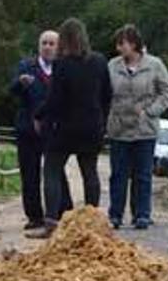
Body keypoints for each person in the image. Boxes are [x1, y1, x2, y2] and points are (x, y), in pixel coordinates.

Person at [26, 18, 112, 238]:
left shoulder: (62, 64)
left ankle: (51, 223)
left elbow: (55, 99)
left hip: (65, 127)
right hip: (92, 126)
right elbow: (107, 95)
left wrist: (39, 115)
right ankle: (93, 222)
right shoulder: (100, 61)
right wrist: (101, 120)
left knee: (52, 170)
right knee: (89, 172)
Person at [106, 25, 168, 230]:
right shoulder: (112, 65)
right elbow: (103, 92)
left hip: (144, 129)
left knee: (143, 175)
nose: (119, 48)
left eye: (122, 43)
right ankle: (115, 214)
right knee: (118, 174)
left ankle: (142, 214)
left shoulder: (155, 65)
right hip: (118, 128)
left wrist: (151, 111)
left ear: (133, 44)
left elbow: (167, 92)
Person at [9, 30, 73, 230]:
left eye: (51, 43)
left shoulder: (64, 67)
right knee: (30, 174)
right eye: (44, 43)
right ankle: (34, 215)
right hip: (28, 128)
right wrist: (20, 83)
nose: (47, 47)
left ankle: (63, 211)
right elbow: (11, 91)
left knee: (56, 172)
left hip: (53, 129)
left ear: (59, 47)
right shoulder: (26, 66)